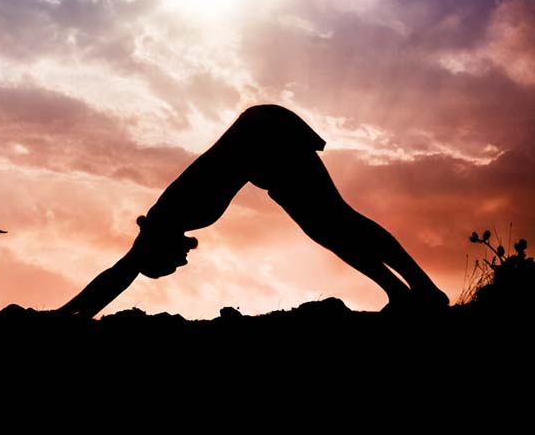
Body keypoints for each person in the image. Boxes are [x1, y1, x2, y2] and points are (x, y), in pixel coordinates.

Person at [59, 104, 449, 318]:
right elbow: (123, 270)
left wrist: (65, 317)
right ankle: (402, 292)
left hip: (266, 134)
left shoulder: (167, 216)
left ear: (157, 249)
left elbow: (120, 273)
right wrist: (68, 314)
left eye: (170, 265)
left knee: (336, 220)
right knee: (327, 228)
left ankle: (424, 291)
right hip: (262, 150)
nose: (181, 264)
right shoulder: (171, 218)